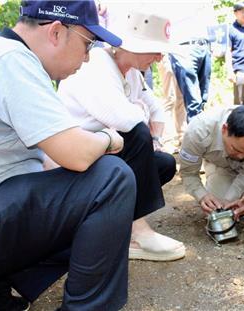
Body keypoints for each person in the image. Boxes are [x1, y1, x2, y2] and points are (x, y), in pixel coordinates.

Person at [0, 1, 140, 310]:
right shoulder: (11, 60)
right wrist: (108, 137)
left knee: (80, 197)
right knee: (111, 179)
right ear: (57, 31)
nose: (87, 58)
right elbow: (77, 154)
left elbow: (44, 161)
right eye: (87, 44)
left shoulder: (2, 53)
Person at [58, 11, 186, 261]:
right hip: (75, 158)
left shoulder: (133, 73)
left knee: (164, 163)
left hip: (104, 149)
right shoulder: (96, 64)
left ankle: (115, 224)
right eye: (154, 50)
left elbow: (157, 111)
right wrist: (140, 111)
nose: (160, 58)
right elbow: (126, 119)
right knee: (137, 133)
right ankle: (138, 231)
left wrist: (156, 139)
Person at [179, 105, 244, 220]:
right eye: (236, 149)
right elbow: (188, 173)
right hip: (219, 166)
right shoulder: (198, 132)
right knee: (217, 208)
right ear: (224, 129)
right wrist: (202, 196)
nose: (241, 157)